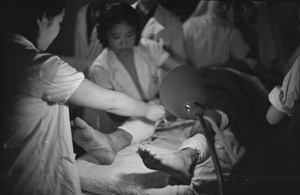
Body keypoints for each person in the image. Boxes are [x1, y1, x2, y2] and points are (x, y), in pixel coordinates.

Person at [2, 0, 165, 194]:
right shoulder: (41, 67)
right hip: (38, 183)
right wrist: (150, 109)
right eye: (60, 22)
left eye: (129, 35)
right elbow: (111, 102)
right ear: (42, 19)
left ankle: (113, 141)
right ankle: (113, 141)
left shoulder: (9, 53)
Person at [84, 2, 182, 133]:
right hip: (119, 126)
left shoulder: (149, 48)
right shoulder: (100, 69)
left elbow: (180, 71)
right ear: (105, 36)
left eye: (129, 35)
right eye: (116, 37)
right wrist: (149, 110)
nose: (124, 42)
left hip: (155, 115)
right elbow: (115, 114)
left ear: (137, 31)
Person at [183, 0, 257, 71]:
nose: (224, 7)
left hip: (219, 78)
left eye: (227, 3)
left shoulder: (231, 30)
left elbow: (243, 56)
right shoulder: (190, 27)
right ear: (208, 2)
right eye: (220, 2)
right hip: (194, 78)